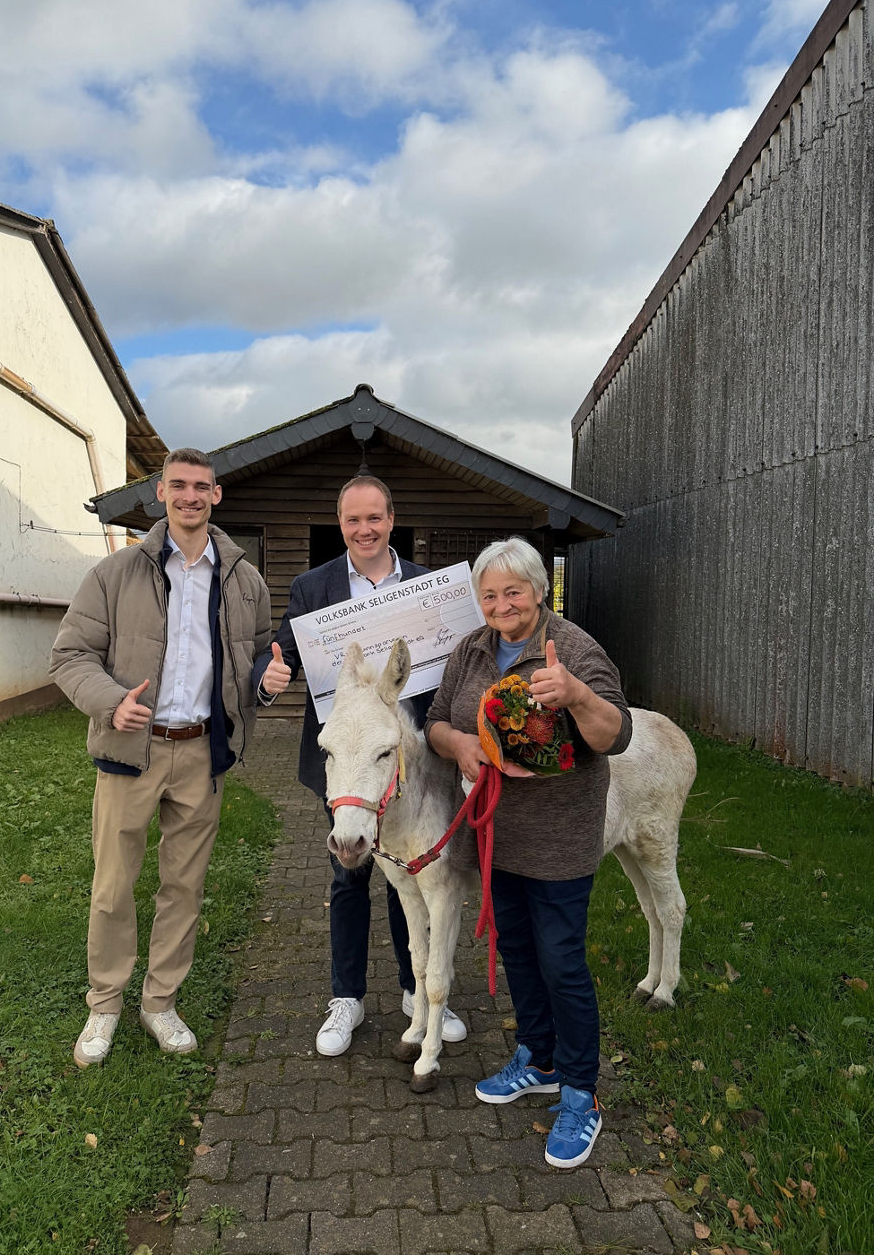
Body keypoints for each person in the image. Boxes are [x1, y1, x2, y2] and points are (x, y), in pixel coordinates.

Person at [50, 448, 271, 1068]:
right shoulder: (116, 574)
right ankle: (105, 1006)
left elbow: (251, 664)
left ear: (217, 496)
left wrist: (265, 681)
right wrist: (112, 702)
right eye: (179, 485)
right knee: (113, 886)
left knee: (185, 886)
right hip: (132, 752)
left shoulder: (243, 579)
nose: (190, 497)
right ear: (160, 494)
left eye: (202, 487)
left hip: (202, 751)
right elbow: (69, 656)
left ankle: (160, 1002)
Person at [425, 537, 631, 1168]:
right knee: (514, 948)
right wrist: (459, 743)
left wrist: (576, 696)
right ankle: (538, 1058)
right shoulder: (473, 649)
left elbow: (615, 734)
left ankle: (580, 1091)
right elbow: (434, 720)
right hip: (493, 837)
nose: (501, 604)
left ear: (540, 591)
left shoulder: (571, 649)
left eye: (513, 591)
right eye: (489, 594)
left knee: (562, 961)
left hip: (560, 838)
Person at [251, 474, 467, 1056]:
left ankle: (412, 989)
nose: (364, 529)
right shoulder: (311, 587)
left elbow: (456, 663)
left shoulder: (426, 587)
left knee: (413, 869)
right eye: (352, 520)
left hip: (409, 761)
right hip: (350, 763)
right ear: (340, 523)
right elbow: (282, 659)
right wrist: (269, 681)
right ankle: (346, 997)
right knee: (349, 875)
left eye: (374, 518)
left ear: (391, 519)